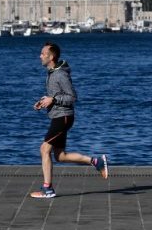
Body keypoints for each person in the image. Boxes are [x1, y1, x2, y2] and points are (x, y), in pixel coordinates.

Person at [31, 41, 108, 199]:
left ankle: (48, 189)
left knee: (44, 149)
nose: (40, 56)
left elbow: (72, 97)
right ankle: (96, 162)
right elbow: (57, 96)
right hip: (58, 116)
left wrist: (53, 100)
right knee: (60, 156)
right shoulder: (52, 72)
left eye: (43, 53)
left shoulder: (60, 74)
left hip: (63, 117)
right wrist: (45, 101)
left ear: (51, 57)